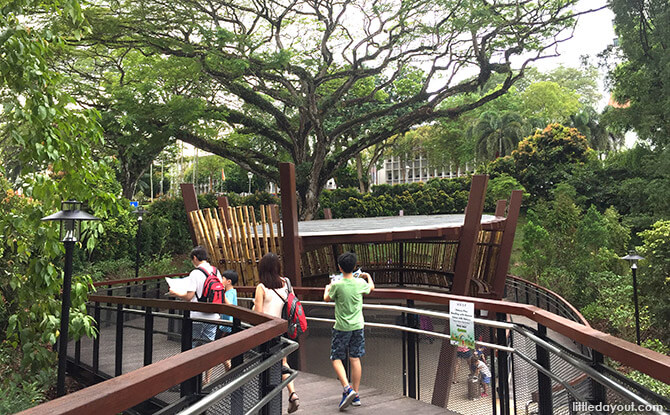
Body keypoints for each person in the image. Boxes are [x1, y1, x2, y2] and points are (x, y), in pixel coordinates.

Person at [323, 252, 375, 411]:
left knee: (336, 357)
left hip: (341, 327)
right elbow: (371, 288)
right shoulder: (360, 283)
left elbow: (327, 298)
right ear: (354, 267)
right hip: (358, 326)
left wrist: (327, 287)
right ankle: (356, 394)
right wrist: (367, 276)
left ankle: (347, 388)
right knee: (355, 358)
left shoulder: (337, 285)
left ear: (339, 267)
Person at [253, 253, 299, 414]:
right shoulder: (285, 283)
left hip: (266, 332)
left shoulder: (261, 287)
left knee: (265, 364)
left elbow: (258, 314)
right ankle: (292, 393)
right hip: (282, 328)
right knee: (283, 361)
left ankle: (266, 400)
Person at [169, 246, 223, 384]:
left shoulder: (195, 273)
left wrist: (175, 293)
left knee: (191, 346)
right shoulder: (216, 271)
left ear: (194, 258)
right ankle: (207, 379)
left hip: (197, 316)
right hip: (214, 316)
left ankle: (189, 379)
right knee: (208, 347)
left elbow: (189, 296)